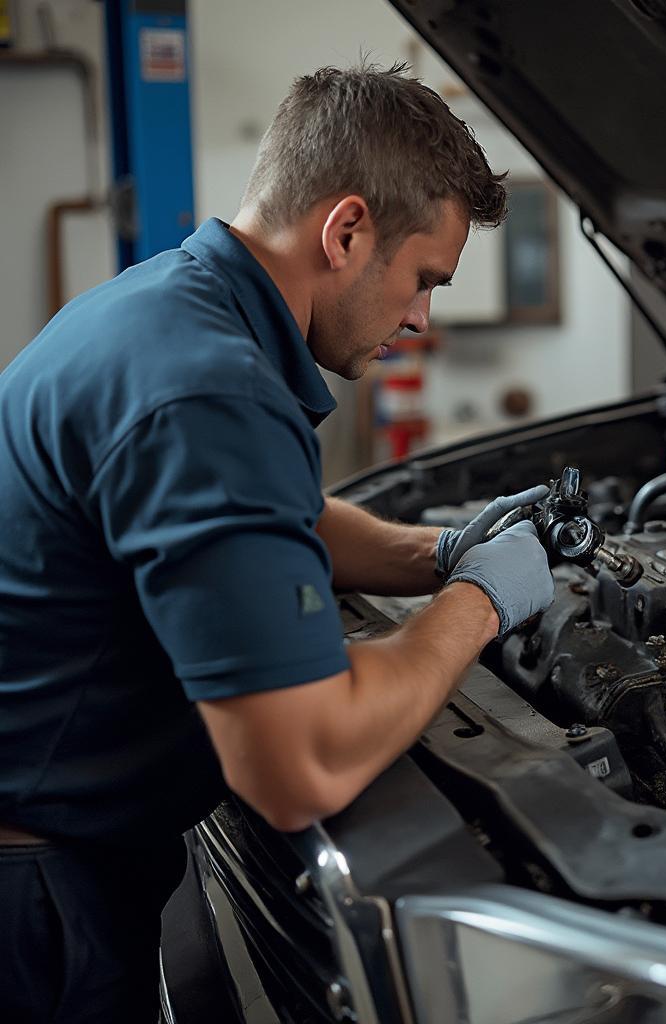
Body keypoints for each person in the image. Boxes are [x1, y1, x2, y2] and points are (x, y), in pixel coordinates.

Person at [0, 63, 555, 1022]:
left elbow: (274, 505)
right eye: (424, 279)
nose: (422, 317)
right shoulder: (205, 388)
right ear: (346, 231)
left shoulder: (166, 305)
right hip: (38, 904)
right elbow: (300, 766)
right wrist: (479, 605)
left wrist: (442, 551)